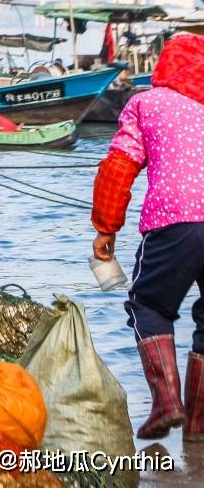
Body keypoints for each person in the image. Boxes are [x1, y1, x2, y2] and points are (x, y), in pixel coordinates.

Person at [91, 32, 204, 440]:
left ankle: (167, 404)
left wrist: (106, 228)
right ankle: (197, 427)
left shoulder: (146, 103)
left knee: (148, 304)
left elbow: (119, 168)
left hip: (175, 221)